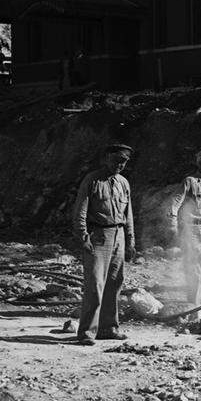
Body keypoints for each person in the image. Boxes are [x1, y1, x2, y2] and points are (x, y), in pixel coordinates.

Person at [72, 143, 136, 345]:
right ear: (107, 158)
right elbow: (80, 211)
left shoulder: (123, 183)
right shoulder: (92, 180)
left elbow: (129, 215)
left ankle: (108, 328)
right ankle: (86, 333)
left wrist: (130, 240)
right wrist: (83, 236)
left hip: (118, 236)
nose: (120, 165)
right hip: (98, 235)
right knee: (95, 284)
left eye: (124, 162)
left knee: (114, 283)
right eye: (117, 160)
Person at [169, 149, 201, 299]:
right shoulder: (189, 181)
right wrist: (173, 223)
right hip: (193, 230)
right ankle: (194, 305)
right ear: (200, 164)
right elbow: (175, 202)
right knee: (195, 268)